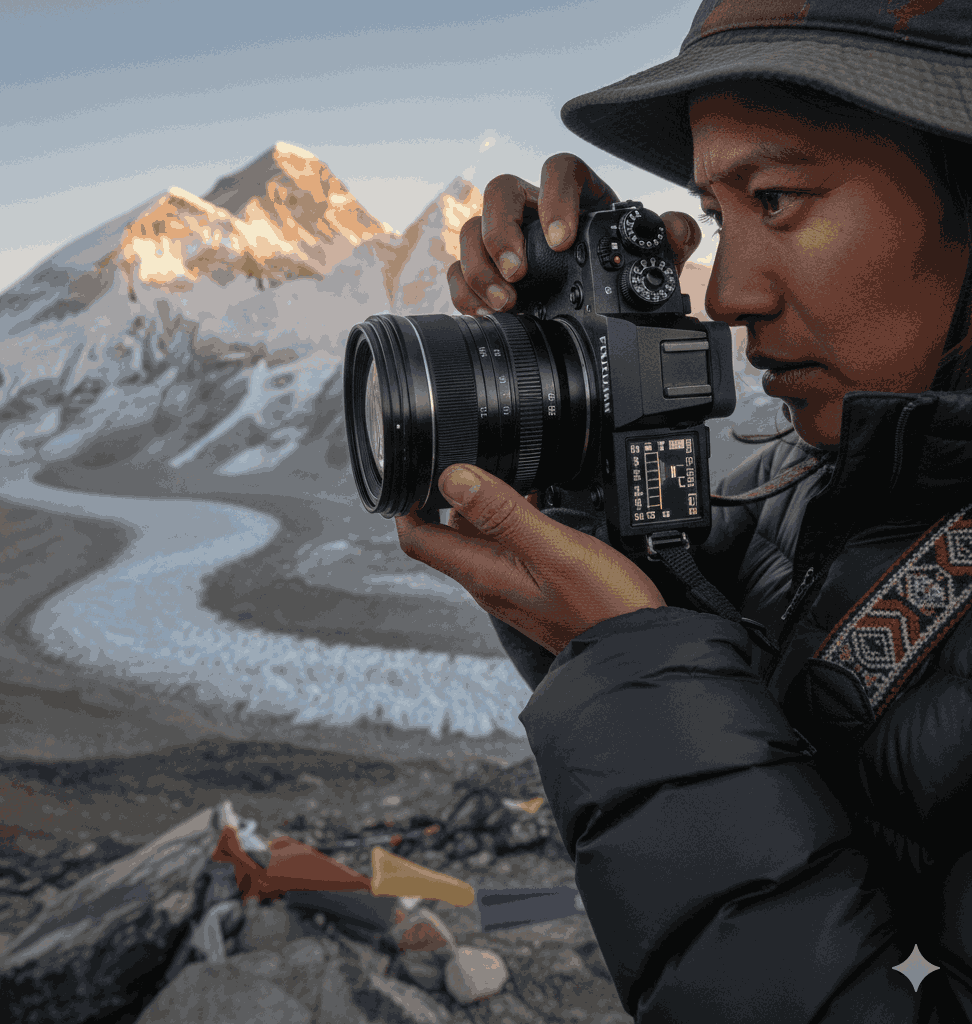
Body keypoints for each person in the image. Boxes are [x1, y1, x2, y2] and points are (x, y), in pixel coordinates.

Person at [395, 1, 972, 1020]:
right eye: (715, 219)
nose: (725, 294)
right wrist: (601, 504)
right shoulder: (875, 494)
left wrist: (640, 676)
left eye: (779, 198)